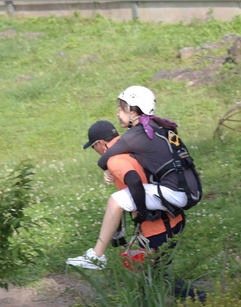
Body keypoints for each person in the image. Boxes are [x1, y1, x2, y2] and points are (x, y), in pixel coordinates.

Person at [68, 86, 202, 270]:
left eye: (122, 109)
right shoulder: (161, 127)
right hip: (191, 188)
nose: (118, 113)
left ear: (134, 110)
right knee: (156, 276)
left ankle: (97, 255)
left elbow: (106, 160)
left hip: (176, 192)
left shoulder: (137, 134)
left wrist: (142, 212)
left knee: (116, 200)